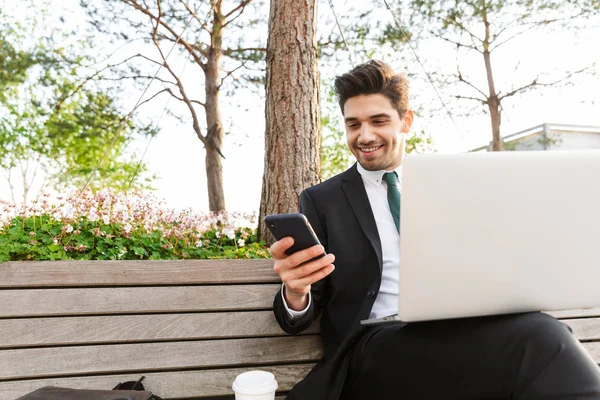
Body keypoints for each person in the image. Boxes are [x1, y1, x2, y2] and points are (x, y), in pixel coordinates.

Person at [270, 60, 600, 400]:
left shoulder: (452, 184)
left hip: (455, 334)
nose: (364, 136)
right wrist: (296, 292)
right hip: (373, 348)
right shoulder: (323, 200)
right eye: (353, 124)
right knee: (542, 343)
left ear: (406, 121)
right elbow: (299, 312)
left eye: (378, 121)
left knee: (545, 334)